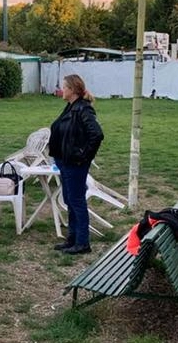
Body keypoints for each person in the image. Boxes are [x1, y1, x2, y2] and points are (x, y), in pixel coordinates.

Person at [48, 74, 104, 255]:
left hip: (75, 163)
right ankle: (72, 238)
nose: (61, 90)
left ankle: (82, 242)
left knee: (77, 201)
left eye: (64, 87)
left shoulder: (83, 109)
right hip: (64, 161)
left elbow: (96, 134)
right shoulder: (71, 107)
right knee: (70, 200)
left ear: (72, 90)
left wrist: (83, 156)